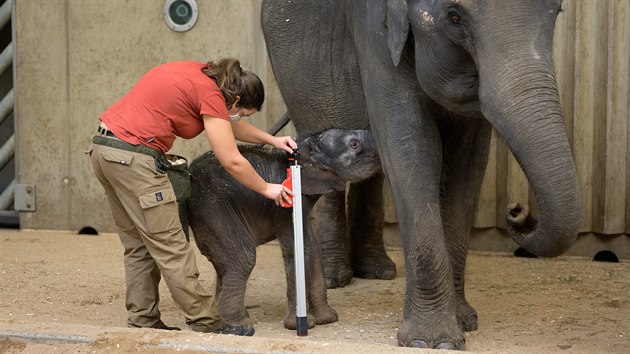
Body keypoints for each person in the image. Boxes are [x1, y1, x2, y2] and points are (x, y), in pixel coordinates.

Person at [88, 58, 296, 336]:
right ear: (234, 100)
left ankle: (143, 320)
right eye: (242, 113)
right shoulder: (212, 95)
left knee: (139, 245)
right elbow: (231, 160)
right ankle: (207, 322)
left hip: (105, 151)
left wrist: (272, 140)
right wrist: (266, 188)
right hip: (135, 160)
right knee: (172, 247)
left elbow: (226, 123)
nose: (239, 119)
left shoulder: (202, 74)